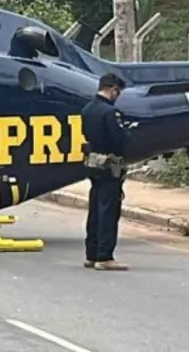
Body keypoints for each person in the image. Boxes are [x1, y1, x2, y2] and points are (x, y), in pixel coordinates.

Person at [80, 73, 132, 271]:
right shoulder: (109, 112)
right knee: (108, 211)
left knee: (95, 209)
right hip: (110, 165)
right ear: (113, 89)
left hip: (93, 162)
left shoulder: (87, 109)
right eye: (118, 92)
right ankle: (105, 256)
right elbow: (119, 139)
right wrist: (128, 134)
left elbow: (87, 134)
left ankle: (91, 254)